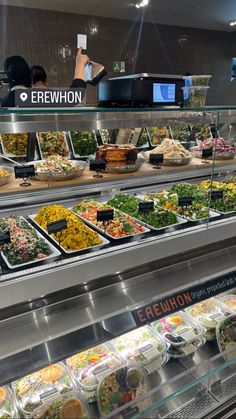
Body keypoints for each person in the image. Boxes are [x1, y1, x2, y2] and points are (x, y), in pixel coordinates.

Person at [0, 48, 89, 107]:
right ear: (29, 75)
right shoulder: (33, 97)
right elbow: (74, 96)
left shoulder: (5, 101)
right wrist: (80, 64)